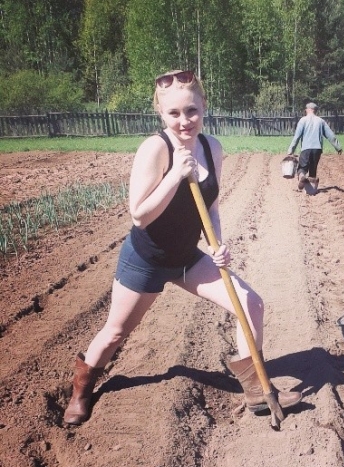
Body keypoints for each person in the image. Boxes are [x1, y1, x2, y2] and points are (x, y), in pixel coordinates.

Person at [63, 69, 302, 425]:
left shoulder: (211, 148)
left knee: (251, 304)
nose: (184, 121)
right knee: (115, 333)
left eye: (191, 111)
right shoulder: (154, 149)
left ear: (204, 107)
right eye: (174, 113)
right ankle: (81, 391)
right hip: (147, 260)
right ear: (161, 114)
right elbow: (139, 215)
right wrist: (175, 174)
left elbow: (212, 207)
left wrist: (217, 244)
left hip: (188, 258)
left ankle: (257, 391)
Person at [286, 102, 342, 194]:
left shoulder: (303, 120)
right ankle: (311, 190)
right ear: (315, 110)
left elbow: (297, 137)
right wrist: (338, 147)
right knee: (313, 169)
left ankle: (302, 177)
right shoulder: (321, 121)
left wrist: (290, 150)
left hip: (306, 149)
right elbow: (330, 135)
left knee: (302, 168)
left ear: (307, 110)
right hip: (317, 149)